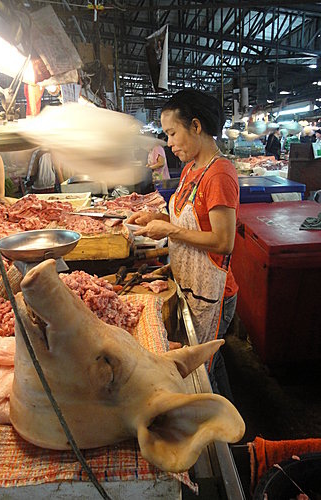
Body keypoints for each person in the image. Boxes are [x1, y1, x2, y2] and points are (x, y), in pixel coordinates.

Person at [127, 89, 239, 400]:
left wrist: (170, 232)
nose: (170, 143)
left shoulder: (219, 174)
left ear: (196, 126)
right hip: (189, 283)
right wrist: (156, 215)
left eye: (173, 133)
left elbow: (223, 241)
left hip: (213, 292)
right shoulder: (191, 168)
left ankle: (225, 441)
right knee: (208, 364)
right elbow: (189, 218)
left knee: (201, 372)